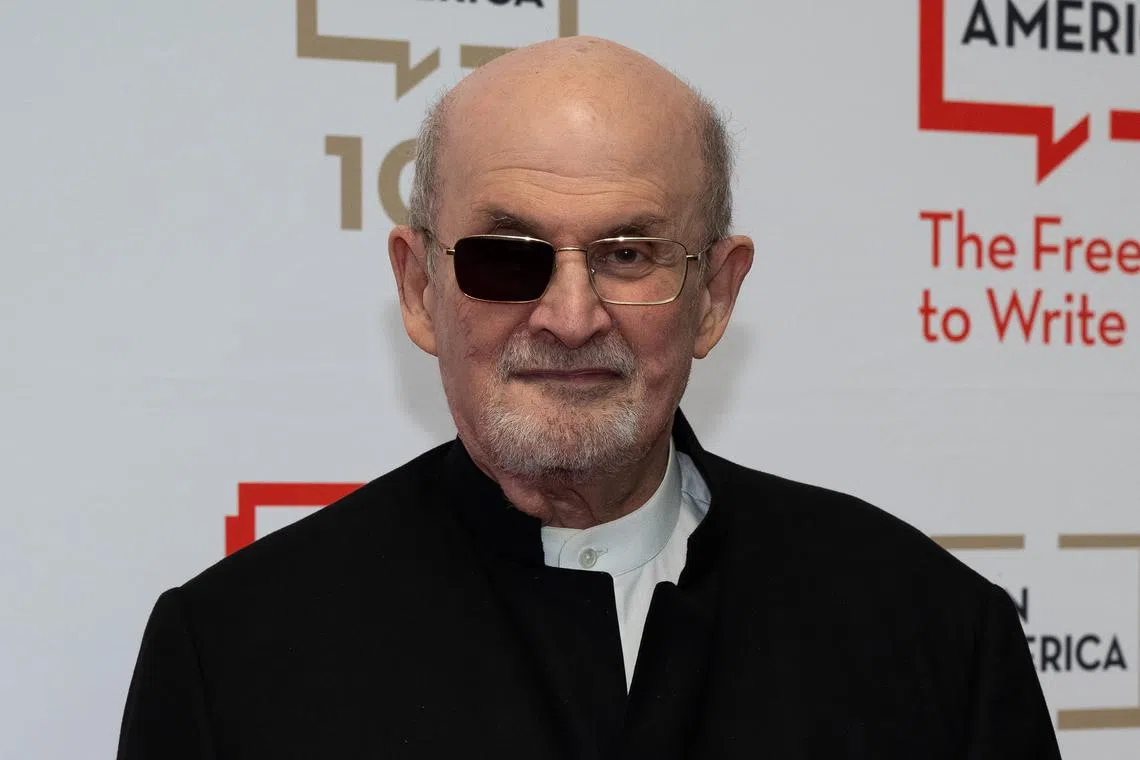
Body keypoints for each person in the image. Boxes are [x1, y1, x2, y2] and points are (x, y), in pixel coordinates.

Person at [117, 36, 1061, 759]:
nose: (570, 318)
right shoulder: (233, 654)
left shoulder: (934, 635)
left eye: (628, 254)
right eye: (505, 257)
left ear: (716, 297)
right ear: (418, 289)